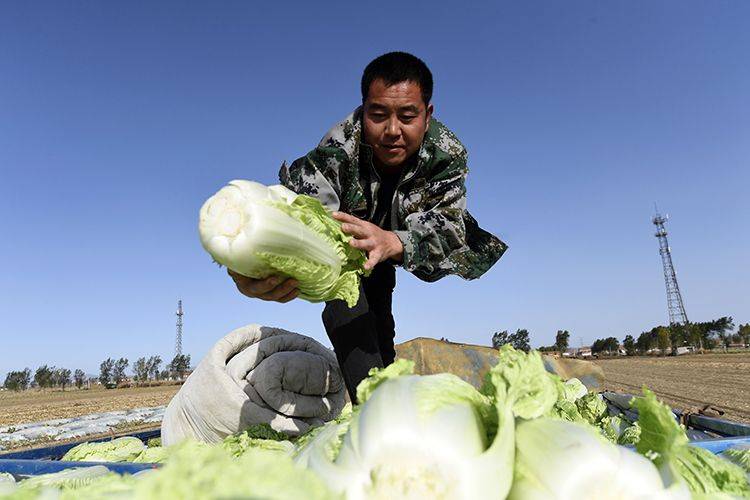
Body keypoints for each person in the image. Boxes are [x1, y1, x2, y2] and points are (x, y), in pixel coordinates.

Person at [229, 52, 507, 401]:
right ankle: (375, 405)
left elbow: (450, 226)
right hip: (351, 236)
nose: (392, 131)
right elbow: (294, 217)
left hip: (409, 229)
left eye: (407, 116)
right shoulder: (338, 147)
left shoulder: (446, 154)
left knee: (381, 292)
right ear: (363, 111)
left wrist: (395, 240)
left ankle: (382, 394)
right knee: (349, 297)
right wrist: (252, 263)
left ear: (427, 114)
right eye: (378, 116)